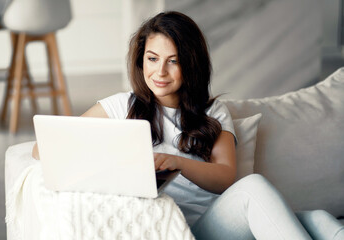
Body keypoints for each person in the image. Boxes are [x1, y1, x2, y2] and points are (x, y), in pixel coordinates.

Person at [33, 11, 343, 240]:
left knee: (321, 220)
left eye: (173, 61)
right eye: (152, 59)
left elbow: (225, 177)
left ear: (190, 64)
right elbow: (44, 148)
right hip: (175, 227)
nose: (160, 72)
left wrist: (177, 163)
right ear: (141, 60)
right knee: (255, 190)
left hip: (214, 222)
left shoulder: (212, 111)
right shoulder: (120, 106)